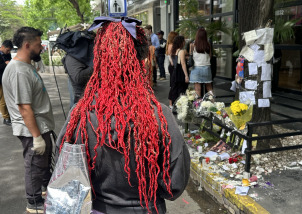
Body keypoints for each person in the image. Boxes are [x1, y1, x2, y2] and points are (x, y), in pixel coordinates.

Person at [57, 19, 190, 214]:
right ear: (142, 61)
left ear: (98, 59)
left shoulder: (80, 115)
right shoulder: (159, 114)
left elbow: (66, 176)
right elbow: (174, 183)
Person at [2, 27, 55, 213]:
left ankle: (42, 193)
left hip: (40, 127)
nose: (41, 47)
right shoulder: (18, 71)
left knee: (41, 165)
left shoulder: (25, 66)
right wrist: (37, 137)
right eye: (38, 44)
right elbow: (24, 107)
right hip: (32, 130)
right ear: (27, 45)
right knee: (34, 166)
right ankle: (33, 203)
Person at [189, 27, 213, 98]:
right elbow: (210, 56)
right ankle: (213, 103)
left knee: (197, 90)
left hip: (196, 68)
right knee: (209, 88)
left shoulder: (192, 45)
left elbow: (191, 56)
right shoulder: (208, 45)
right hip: (207, 68)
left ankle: (198, 106)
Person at [168, 35, 189, 106]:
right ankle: (180, 105)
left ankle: (171, 105)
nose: (185, 42)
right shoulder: (181, 51)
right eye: (184, 41)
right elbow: (183, 63)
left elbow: (172, 63)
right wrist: (186, 75)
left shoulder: (173, 51)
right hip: (180, 72)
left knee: (174, 88)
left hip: (174, 71)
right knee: (181, 89)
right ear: (181, 42)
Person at [0, 40, 13, 126]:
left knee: (8, 98)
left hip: (7, 78)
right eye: (7, 50)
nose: (8, 52)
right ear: (3, 47)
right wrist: (5, 64)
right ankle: (6, 118)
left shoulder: (7, 54)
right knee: (3, 100)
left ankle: (8, 116)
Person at [165, 31, 178, 109]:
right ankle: (171, 104)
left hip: (172, 66)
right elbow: (172, 57)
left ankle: (172, 103)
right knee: (173, 85)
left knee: (173, 85)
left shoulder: (170, 45)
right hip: (173, 66)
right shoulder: (172, 45)